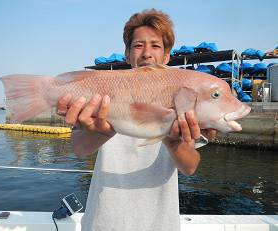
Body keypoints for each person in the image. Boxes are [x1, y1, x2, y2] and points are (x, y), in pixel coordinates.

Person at [57, 9, 216, 231]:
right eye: (138, 45)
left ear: (167, 56)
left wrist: (171, 140)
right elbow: (79, 149)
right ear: (127, 53)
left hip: (159, 224)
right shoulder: (103, 94)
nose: (147, 53)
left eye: (155, 45)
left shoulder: (182, 96)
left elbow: (189, 167)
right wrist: (103, 130)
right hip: (103, 222)